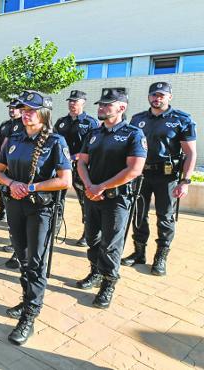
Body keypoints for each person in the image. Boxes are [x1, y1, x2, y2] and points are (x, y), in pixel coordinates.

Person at [0, 90, 72, 346]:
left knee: (36, 262)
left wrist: (31, 187)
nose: (26, 114)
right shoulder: (14, 139)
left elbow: (64, 180)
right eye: (23, 109)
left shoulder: (55, 142)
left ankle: (30, 315)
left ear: (44, 113)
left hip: (40, 209)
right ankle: (28, 298)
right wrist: (12, 183)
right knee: (23, 258)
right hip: (15, 205)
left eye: (31, 110)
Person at [76, 88, 147, 309]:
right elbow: (81, 162)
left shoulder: (133, 134)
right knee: (93, 238)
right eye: (100, 104)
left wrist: (102, 187)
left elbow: (134, 169)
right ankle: (95, 272)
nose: (101, 108)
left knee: (111, 244)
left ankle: (109, 283)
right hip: (92, 195)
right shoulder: (93, 134)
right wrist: (89, 186)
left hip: (116, 199)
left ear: (122, 108)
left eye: (107, 105)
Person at [122, 82, 197, 275]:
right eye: (154, 95)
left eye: (162, 95)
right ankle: (139, 253)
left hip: (167, 177)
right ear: (149, 97)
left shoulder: (182, 120)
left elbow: (190, 153)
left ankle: (160, 257)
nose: (158, 98)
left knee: (165, 218)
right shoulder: (137, 119)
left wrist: (185, 181)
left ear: (169, 97)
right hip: (141, 176)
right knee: (139, 214)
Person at [54, 90, 100, 247]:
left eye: (76, 101)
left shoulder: (90, 123)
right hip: (60, 168)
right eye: (70, 101)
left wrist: (76, 157)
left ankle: (88, 234)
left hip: (80, 167)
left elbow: (93, 146)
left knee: (85, 201)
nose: (72, 104)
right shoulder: (61, 122)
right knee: (57, 199)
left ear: (83, 102)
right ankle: (54, 230)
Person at [0, 99, 24, 269]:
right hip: (5, 170)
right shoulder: (6, 125)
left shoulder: (24, 125)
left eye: (15, 108)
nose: (12, 110)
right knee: (11, 209)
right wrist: (1, 157)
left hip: (20, 174)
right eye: (10, 108)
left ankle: (19, 251)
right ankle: (16, 244)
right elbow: (0, 143)